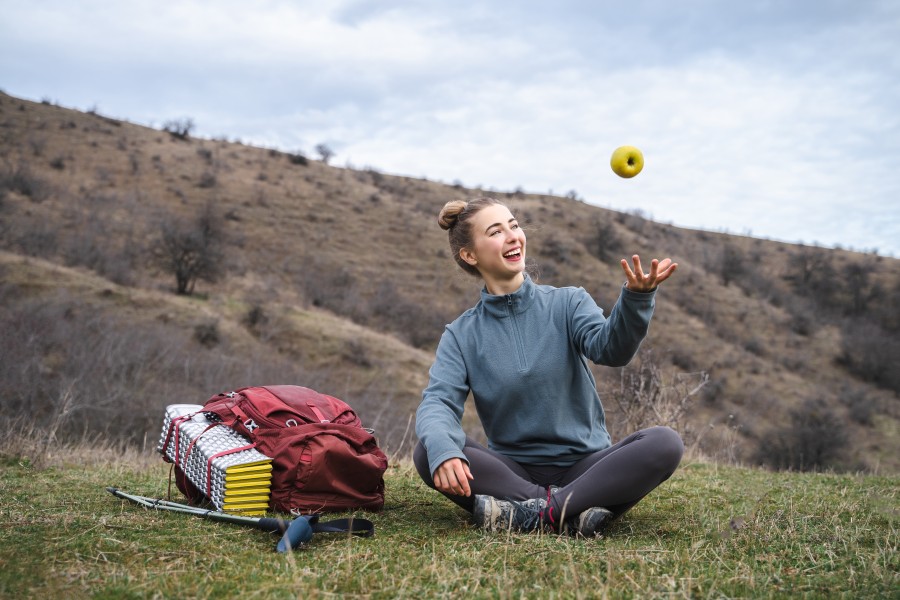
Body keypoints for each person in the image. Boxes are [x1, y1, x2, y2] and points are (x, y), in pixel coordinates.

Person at [413, 196, 684, 537]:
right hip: (512, 474)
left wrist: (636, 300)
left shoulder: (568, 302)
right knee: (429, 451)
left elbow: (611, 350)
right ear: (470, 255)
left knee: (664, 443)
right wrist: (445, 451)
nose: (513, 236)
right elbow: (438, 403)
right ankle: (568, 512)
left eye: (514, 226)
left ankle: (531, 514)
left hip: (586, 469)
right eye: (496, 232)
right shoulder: (461, 334)